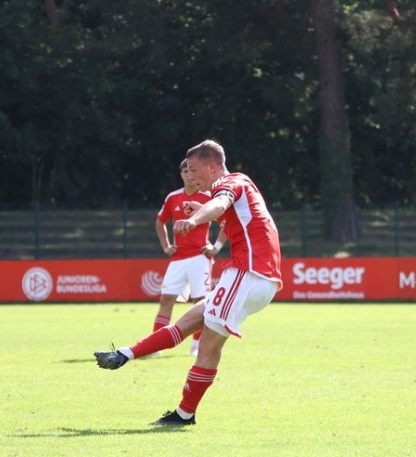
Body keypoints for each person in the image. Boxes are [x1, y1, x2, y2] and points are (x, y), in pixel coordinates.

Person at [96, 139, 283, 427]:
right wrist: (200, 206)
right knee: (190, 320)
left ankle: (184, 414)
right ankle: (124, 354)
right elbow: (228, 210)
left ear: (212, 166)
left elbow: (221, 203)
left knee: (209, 344)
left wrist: (195, 219)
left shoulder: (230, 181)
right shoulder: (239, 187)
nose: (191, 176)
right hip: (252, 277)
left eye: (194, 170)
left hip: (249, 274)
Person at [154, 159, 213, 356]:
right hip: (178, 258)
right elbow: (160, 222)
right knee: (166, 299)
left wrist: (216, 245)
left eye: (192, 171)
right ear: (181, 174)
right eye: (185, 171)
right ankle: (156, 346)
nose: (189, 174)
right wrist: (166, 246)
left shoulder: (207, 197)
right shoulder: (173, 198)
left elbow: (225, 222)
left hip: (199, 257)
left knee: (201, 302)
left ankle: (196, 347)